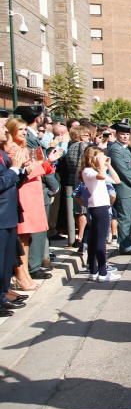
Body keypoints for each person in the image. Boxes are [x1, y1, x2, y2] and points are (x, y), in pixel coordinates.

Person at [5, 116, 61, 292]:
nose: (23, 132)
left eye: (24, 130)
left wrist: (46, 162)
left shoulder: (23, 147)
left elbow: (37, 170)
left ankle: (26, 274)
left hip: (32, 192)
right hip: (24, 194)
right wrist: (44, 163)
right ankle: (22, 276)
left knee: (26, 237)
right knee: (22, 237)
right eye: (20, 130)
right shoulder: (12, 149)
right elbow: (23, 174)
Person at [0, 115, 30, 315]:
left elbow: (11, 180)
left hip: (9, 213)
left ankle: (2, 295)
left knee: (6, 261)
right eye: (2, 125)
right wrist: (14, 169)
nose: (5, 128)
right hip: (1, 215)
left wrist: (21, 171)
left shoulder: (2, 153)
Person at [80, 146, 120, 282]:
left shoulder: (96, 170)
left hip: (101, 206)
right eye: (100, 156)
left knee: (94, 239)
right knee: (100, 240)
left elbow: (116, 180)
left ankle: (94, 270)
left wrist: (108, 165)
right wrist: (100, 164)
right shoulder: (87, 171)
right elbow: (101, 176)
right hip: (98, 207)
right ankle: (102, 272)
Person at [108, 119, 131, 256]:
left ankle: (128, 241)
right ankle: (125, 245)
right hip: (123, 188)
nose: (125, 136)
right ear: (117, 134)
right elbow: (124, 170)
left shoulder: (124, 148)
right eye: (122, 134)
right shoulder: (115, 149)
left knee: (129, 217)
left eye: (127, 134)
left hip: (129, 188)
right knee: (125, 218)